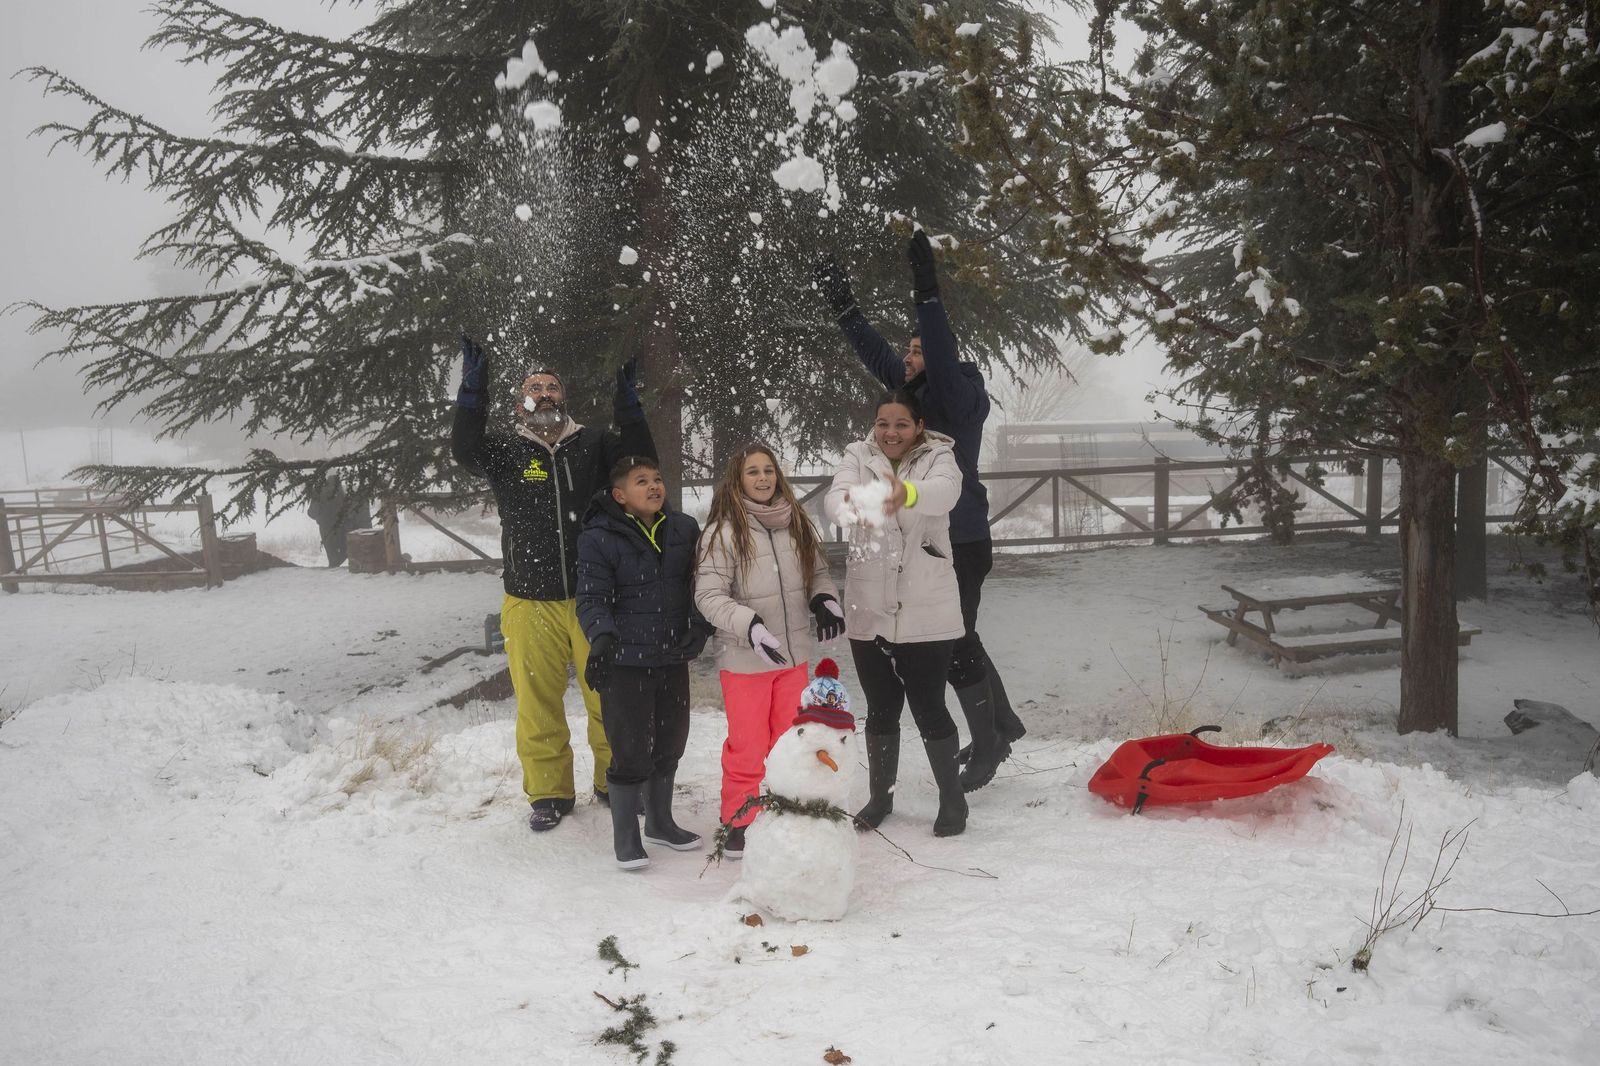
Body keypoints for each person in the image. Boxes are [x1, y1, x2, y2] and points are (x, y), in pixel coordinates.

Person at [813, 233, 1027, 793]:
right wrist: (843, 305)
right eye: (907, 352)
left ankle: (991, 740)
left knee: (957, 642)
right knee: (960, 640)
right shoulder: (912, 397)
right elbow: (874, 352)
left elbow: (936, 342)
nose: (906, 357)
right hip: (924, 545)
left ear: (943, 358)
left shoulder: (956, 398)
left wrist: (927, 292)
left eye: (917, 350)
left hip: (960, 538)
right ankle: (1000, 728)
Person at [451, 335, 655, 833]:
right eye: (533, 387)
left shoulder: (595, 444)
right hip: (528, 599)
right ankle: (549, 793)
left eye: (552, 387)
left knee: (608, 697)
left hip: (594, 598)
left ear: (565, 398)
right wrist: (471, 397)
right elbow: (464, 450)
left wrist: (629, 406)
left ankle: (616, 782)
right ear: (521, 401)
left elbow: (641, 461)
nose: (544, 393)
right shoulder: (506, 451)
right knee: (537, 703)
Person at [824, 389, 968, 837]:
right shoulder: (857, 455)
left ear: (919, 426)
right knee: (881, 708)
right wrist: (861, 504)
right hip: (869, 604)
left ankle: (952, 800)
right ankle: (880, 796)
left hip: (927, 605)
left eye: (901, 424)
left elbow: (945, 495)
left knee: (929, 707)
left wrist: (903, 492)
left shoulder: (940, 457)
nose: (890, 432)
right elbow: (835, 502)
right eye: (883, 423)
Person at [694, 443, 844, 859]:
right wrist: (751, 625)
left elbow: (818, 573)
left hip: (793, 658)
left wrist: (824, 600)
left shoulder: (796, 522)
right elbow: (708, 595)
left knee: (787, 743)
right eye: (752, 472)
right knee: (748, 745)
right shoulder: (722, 533)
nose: (762, 478)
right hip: (745, 660)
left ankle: (782, 810)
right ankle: (738, 819)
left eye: (768, 470)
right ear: (736, 481)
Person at [576, 456, 713, 869]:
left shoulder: (684, 529)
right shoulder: (597, 538)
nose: (654, 486)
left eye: (657, 479)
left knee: (671, 743)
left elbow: (703, 583)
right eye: (641, 481)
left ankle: (660, 822)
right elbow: (592, 597)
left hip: (672, 656)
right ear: (620, 496)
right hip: (625, 662)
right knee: (631, 750)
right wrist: (600, 641)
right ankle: (626, 838)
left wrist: (699, 624)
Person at [306, 475, 372, 568]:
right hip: (341, 527)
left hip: (326, 529)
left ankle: (333, 570)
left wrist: (320, 517)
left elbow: (311, 513)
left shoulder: (320, 494)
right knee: (345, 552)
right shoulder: (342, 494)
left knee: (333, 557)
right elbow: (349, 512)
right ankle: (339, 570)